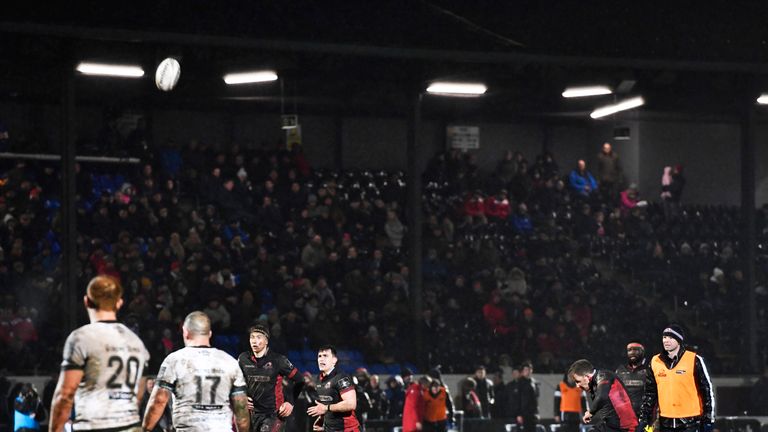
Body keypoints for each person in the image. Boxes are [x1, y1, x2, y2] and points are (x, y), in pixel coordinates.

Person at [49, 275, 151, 432]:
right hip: (131, 426)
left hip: (94, 425)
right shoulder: (137, 342)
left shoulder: (82, 338)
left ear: (86, 301)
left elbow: (65, 395)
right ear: (119, 303)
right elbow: (138, 394)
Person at [142, 311, 250, 432]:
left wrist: (145, 429)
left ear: (185, 332)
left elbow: (159, 401)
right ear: (209, 333)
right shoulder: (230, 362)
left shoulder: (174, 360)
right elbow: (241, 410)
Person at [637, 325, 714, 432]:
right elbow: (650, 393)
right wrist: (644, 419)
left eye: (671, 338)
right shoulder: (655, 362)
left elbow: (707, 390)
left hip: (690, 423)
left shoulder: (694, 360)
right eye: (664, 337)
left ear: (679, 341)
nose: (666, 341)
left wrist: (708, 418)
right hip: (665, 423)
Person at [238, 324, 304, 432]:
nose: (254, 341)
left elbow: (300, 380)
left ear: (266, 341)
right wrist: (242, 396)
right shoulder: (243, 359)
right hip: (250, 415)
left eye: (259, 337)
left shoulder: (278, 360)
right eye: (252, 337)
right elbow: (236, 382)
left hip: (274, 415)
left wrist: (290, 402)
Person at [568, 359, 637, 432]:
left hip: (625, 428)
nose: (577, 386)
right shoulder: (594, 386)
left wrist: (591, 412)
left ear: (587, 377)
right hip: (611, 426)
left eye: (578, 381)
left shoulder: (603, 375)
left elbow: (602, 397)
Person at [306, 345, 361, 432]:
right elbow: (326, 404)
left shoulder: (341, 377)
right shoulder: (318, 379)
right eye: (319, 356)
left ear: (334, 360)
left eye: (325, 356)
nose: (321, 359)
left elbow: (351, 404)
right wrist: (322, 421)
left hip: (348, 429)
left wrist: (326, 408)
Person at [615, 342, 648, 418]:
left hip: (643, 417)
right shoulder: (619, 371)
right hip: (624, 417)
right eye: (629, 350)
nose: (632, 352)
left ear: (642, 352)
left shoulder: (649, 371)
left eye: (636, 350)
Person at [516, 362, 539, 432]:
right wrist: (518, 414)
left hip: (532, 414)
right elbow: (517, 399)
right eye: (525, 370)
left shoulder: (534, 383)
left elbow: (536, 399)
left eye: (529, 369)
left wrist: (537, 412)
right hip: (523, 413)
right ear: (522, 371)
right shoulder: (519, 383)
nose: (527, 371)